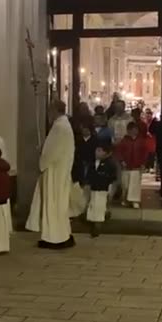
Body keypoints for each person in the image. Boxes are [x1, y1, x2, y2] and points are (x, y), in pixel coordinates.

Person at [26, 99, 76, 249]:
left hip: (55, 173)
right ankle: (62, 234)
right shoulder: (64, 125)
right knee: (59, 205)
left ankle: (54, 238)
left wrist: (43, 155)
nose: (48, 114)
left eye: (49, 110)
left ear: (54, 110)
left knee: (53, 204)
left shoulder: (59, 127)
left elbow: (51, 152)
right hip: (61, 171)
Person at [84, 142, 117, 237]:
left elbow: (112, 179)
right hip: (93, 188)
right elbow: (89, 175)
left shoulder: (110, 164)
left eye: (100, 151)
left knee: (99, 207)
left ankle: (97, 227)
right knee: (93, 205)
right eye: (96, 150)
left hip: (103, 189)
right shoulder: (92, 163)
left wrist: (111, 190)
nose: (97, 152)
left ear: (106, 153)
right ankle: (96, 222)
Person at [115, 122, 147, 208]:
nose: (134, 131)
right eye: (132, 129)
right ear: (128, 131)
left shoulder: (141, 141)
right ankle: (125, 199)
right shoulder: (124, 141)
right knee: (125, 184)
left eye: (135, 129)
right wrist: (122, 161)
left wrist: (143, 163)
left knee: (135, 184)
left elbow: (144, 153)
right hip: (126, 166)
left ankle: (134, 200)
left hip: (136, 166)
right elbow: (119, 152)